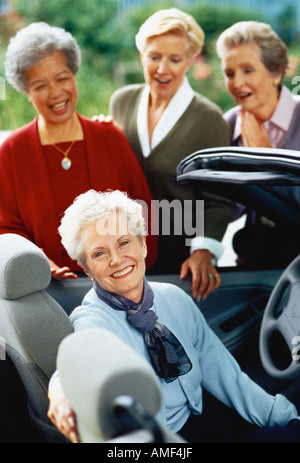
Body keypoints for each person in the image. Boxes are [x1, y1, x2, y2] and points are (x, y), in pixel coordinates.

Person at [48, 189, 300, 443]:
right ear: (87, 269)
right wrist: (59, 391)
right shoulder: (94, 320)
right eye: (99, 253)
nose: (116, 259)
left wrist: (285, 416)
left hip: (206, 414)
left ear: (143, 245)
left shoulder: (174, 297)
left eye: (124, 242)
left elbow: (226, 374)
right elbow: (75, 362)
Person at [0, 22, 157, 280]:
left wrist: (127, 268)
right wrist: (40, 264)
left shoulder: (109, 137)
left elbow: (144, 211)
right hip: (45, 289)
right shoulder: (13, 151)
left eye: (62, 78)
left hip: (120, 283)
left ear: (74, 76)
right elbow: (6, 229)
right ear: (26, 92)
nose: (55, 93)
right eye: (40, 86)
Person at [107, 8, 233, 301]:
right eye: (154, 57)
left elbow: (219, 202)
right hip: (124, 254)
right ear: (141, 56)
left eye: (174, 59)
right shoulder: (121, 102)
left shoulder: (208, 118)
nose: (162, 68)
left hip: (178, 257)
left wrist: (203, 250)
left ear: (190, 60)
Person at [216, 20, 300, 267]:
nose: (237, 83)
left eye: (247, 70)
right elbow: (225, 209)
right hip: (254, 264)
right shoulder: (230, 123)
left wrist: (267, 160)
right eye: (229, 74)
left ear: (275, 72)